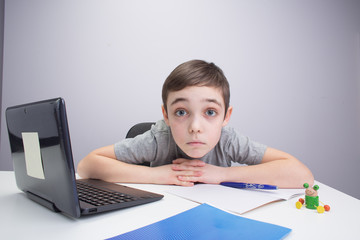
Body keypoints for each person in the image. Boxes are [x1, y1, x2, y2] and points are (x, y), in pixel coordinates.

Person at [77, 60, 314, 188]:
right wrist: (159, 175)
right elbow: (87, 166)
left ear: (226, 117)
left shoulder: (228, 139)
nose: (195, 126)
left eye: (210, 112)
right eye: (181, 112)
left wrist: (221, 174)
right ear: (166, 115)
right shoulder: (159, 138)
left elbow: (301, 175)